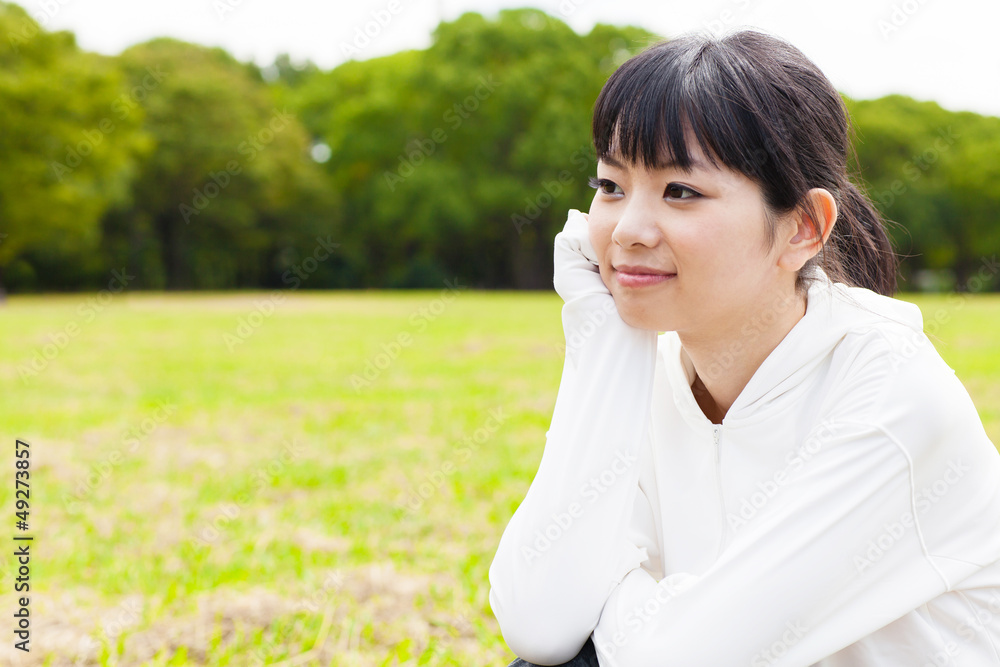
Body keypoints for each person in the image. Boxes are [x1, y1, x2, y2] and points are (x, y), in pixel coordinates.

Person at [488, 29, 1000, 667]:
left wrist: (619, 610)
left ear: (803, 227)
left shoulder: (889, 394)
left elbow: (685, 659)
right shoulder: (654, 371)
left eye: (681, 192)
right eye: (610, 186)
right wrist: (606, 344)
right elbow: (541, 627)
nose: (628, 231)